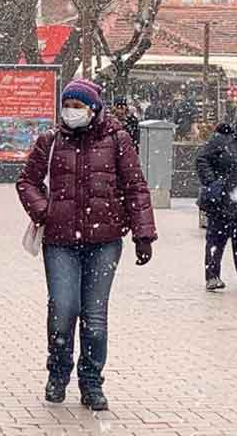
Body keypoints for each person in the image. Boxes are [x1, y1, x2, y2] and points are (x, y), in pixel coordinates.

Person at [16, 79, 157, 411]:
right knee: (64, 309)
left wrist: (143, 234)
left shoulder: (117, 140)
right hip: (60, 241)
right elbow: (27, 181)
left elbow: (136, 187)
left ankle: (92, 382)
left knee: (94, 316)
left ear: (93, 109)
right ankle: (58, 373)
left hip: (105, 241)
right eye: (68, 105)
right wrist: (43, 210)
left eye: (78, 106)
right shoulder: (50, 141)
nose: (71, 112)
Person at [195, 102, 237, 292]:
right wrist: (212, 183)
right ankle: (212, 276)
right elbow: (202, 159)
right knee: (216, 240)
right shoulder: (223, 139)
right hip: (222, 200)